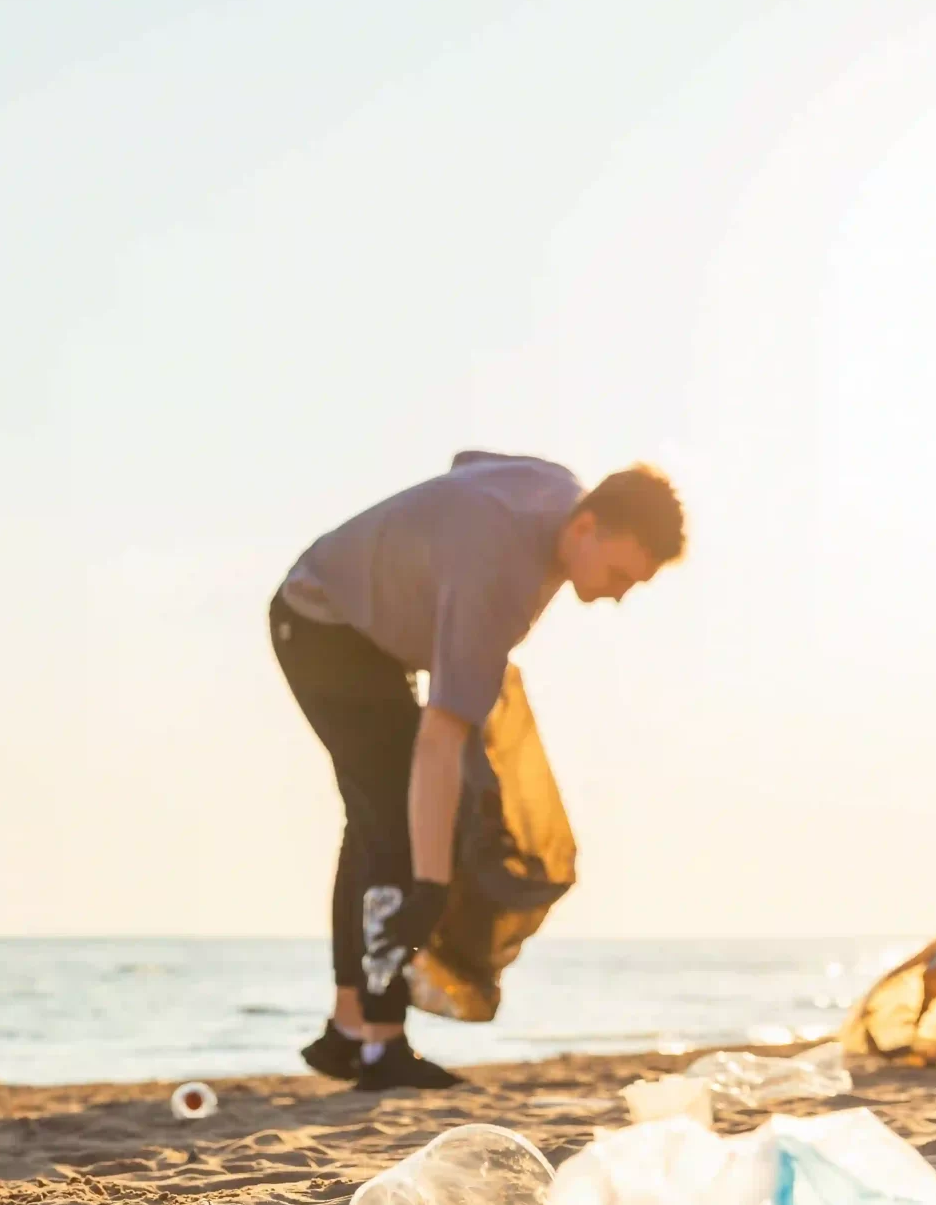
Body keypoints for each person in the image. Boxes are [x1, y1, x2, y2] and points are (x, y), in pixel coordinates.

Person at [269, 453, 685, 1088]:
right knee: (396, 820)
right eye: (620, 574)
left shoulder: (556, 490)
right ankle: (380, 1045)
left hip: (371, 637)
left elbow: (469, 465)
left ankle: (349, 1026)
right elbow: (439, 741)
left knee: (377, 818)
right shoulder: (500, 578)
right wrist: (431, 888)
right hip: (321, 623)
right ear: (586, 528)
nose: (619, 595)